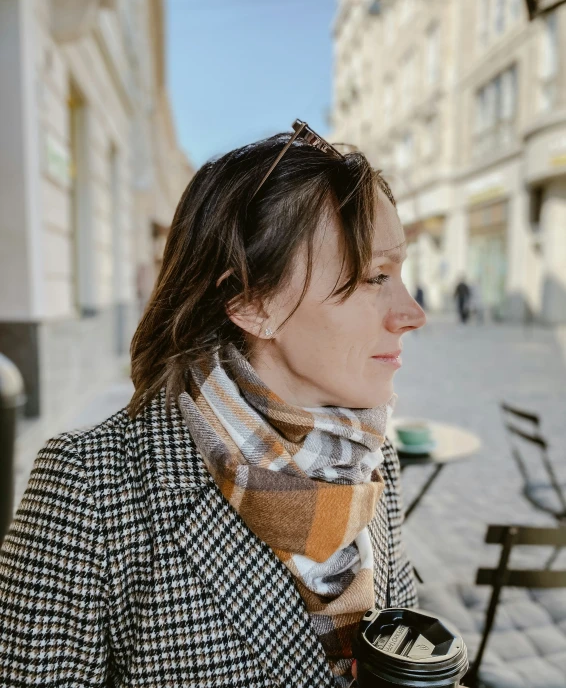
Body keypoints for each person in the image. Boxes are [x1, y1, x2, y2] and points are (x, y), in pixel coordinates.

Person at [0, 121, 426, 687]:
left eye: (401, 273)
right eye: (376, 276)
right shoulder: (91, 489)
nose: (413, 313)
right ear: (252, 303)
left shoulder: (373, 458)